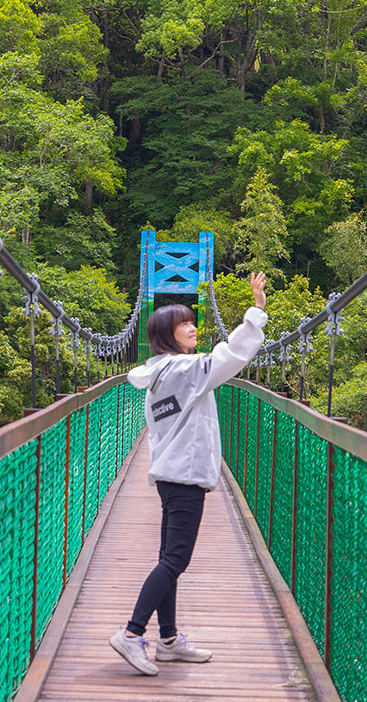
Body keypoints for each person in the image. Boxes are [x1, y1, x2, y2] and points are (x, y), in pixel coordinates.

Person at [108, 272, 270, 676]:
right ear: (167, 333)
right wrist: (256, 312)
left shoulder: (161, 373)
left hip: (171, 475)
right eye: (183, 323)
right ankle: (131, 634)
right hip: (183, 477)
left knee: (169, 558)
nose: (192, 326)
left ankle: (167, 640)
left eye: (192, 320)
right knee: (175, 561)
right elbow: (230, 356)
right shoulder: (183, 370)